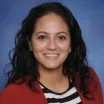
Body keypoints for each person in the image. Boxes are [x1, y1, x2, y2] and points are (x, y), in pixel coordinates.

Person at [0, 2, 103, 104]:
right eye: (42, 37)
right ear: (30, 44)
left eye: (61, 37)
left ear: (71, 44)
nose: (52, 46)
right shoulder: (11, 96)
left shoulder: (89, 79)